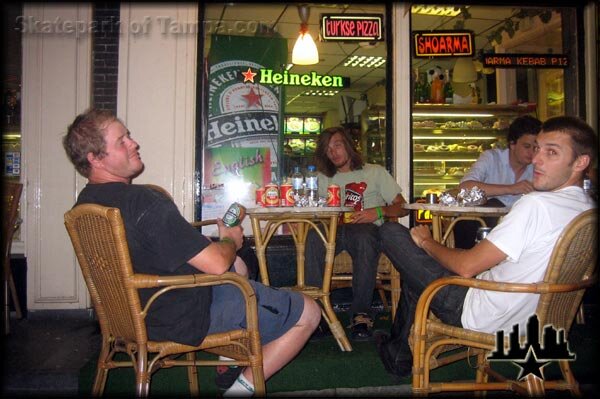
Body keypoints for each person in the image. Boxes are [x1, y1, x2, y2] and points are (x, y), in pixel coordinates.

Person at [63, 108, 321, 396]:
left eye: (129, 136)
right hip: (181, 315)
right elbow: (215, 264)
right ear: (95, 159)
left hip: (134, 315)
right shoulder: (143, 201)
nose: (133, 143)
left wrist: (222, 251)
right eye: (122, 141)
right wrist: (229, 239)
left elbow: (157, 250)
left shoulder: (85, 205)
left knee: (239, 268)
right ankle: (239, 392)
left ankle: (228, 363)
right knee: (309, 312)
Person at [375, 116, 597, 379]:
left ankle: (397, 353)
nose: (536, 159)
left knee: (390, 232)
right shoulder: (587, 208)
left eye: (552, 152)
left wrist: (426, 241)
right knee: (419, 271)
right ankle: (398, 351)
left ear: (581, 162)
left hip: (484, 313)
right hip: (538, 321)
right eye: (537, 148)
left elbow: (465, 267)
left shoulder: (536, 205)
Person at [304, 126, 409, 340]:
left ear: (350, 146)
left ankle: (361, 313)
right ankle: (316, 314)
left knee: (363, 236)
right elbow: (311, 209)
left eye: (337, 145)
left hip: (365, 229)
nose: (333, 152)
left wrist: (378, 211)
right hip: (334, 227)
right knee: (313, 236)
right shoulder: (322, 178)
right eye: (327, 149)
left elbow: (402, 206)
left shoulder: (375, 171)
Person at [453, 115, 542, 248]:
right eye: (527, 146)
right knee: (483, 210)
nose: (532, 153)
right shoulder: (491, 158)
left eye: (536, 148)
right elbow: (464, 188)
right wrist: (512, 188)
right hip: (483, 231)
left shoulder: (539, 167)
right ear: (512, 144)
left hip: (519, 234)